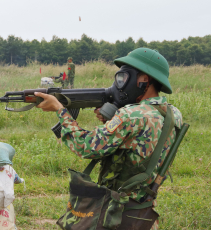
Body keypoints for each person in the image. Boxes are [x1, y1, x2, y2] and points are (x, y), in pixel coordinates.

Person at [34, 48, 182, 230]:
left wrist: (60, 110)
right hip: (144, 215)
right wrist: (113, 121)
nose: (121, 83)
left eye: (125, 77)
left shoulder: (130, 115)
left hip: (117, 215)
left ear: (145, 79)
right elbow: (140, 140)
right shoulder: (172, 113)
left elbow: (86, 147)